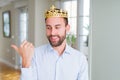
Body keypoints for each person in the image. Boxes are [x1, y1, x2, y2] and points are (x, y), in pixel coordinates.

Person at [11, 5, 88, 80]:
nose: (52, 33)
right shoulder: (35, 55)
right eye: (48, 27)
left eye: (57, 27)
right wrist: (26, 61)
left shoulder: (80, 59)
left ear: (67, 28)